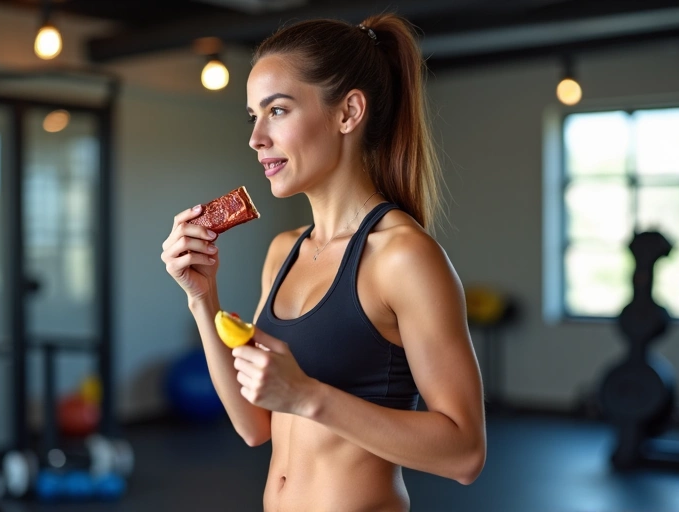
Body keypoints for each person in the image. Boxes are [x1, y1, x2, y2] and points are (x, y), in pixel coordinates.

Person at [161, 13, 486, 511]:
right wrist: (203, 298)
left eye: (278, 111)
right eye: (254, 116)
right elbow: (255, 426)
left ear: (348, 112)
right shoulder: (283, 252)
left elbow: (465, 454)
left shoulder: (403, 257)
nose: (256, 138)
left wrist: (310, 396)